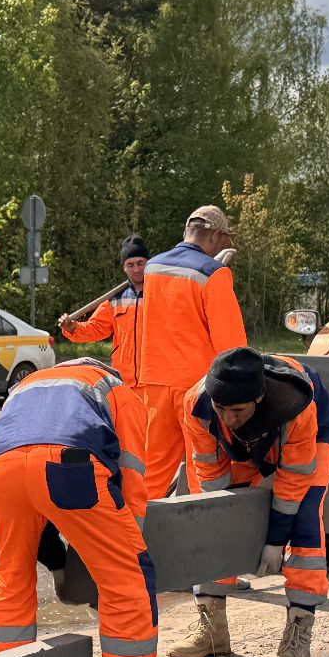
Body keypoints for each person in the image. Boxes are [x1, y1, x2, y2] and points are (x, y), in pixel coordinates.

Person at [0, 357, 173, 657]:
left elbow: (30, 472)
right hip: (69, 462)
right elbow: (131, 474)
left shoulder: (28, 385)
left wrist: (57, 565)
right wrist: (127, 542)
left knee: (11, 573)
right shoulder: (117, 389)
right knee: (127, 579)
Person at [170, 347, 329, 657]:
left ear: (258, 399)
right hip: (246, 446)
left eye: (237, 410)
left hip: (309, 438)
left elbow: (292, 481)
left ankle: (297, 639)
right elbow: (213, 479)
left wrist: (275, 540)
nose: (229, 418)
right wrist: (226, 518)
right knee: (217, 517)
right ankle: (212, 628)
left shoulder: (297, 404)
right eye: (222, 409)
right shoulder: (197, 406)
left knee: (304, 521)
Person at [138, 206, 247, 498]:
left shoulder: (153, 269)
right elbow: (232, 346)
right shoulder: (214, 274)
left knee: (153, 469)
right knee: (203, 467)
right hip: (197, 389)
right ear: (214, 236)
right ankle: (200, 535)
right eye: (224, 240)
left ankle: (137, 536)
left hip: (155, 381)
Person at [58, 235, 149, 392]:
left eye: (140, 263)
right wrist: (72, 327)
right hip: (123, 381)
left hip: (155, 381)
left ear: (149, 263)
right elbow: (95, 329)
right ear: (124, 267)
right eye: (130, 265)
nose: (136, 269)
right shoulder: (115, 300)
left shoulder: (161, 293)